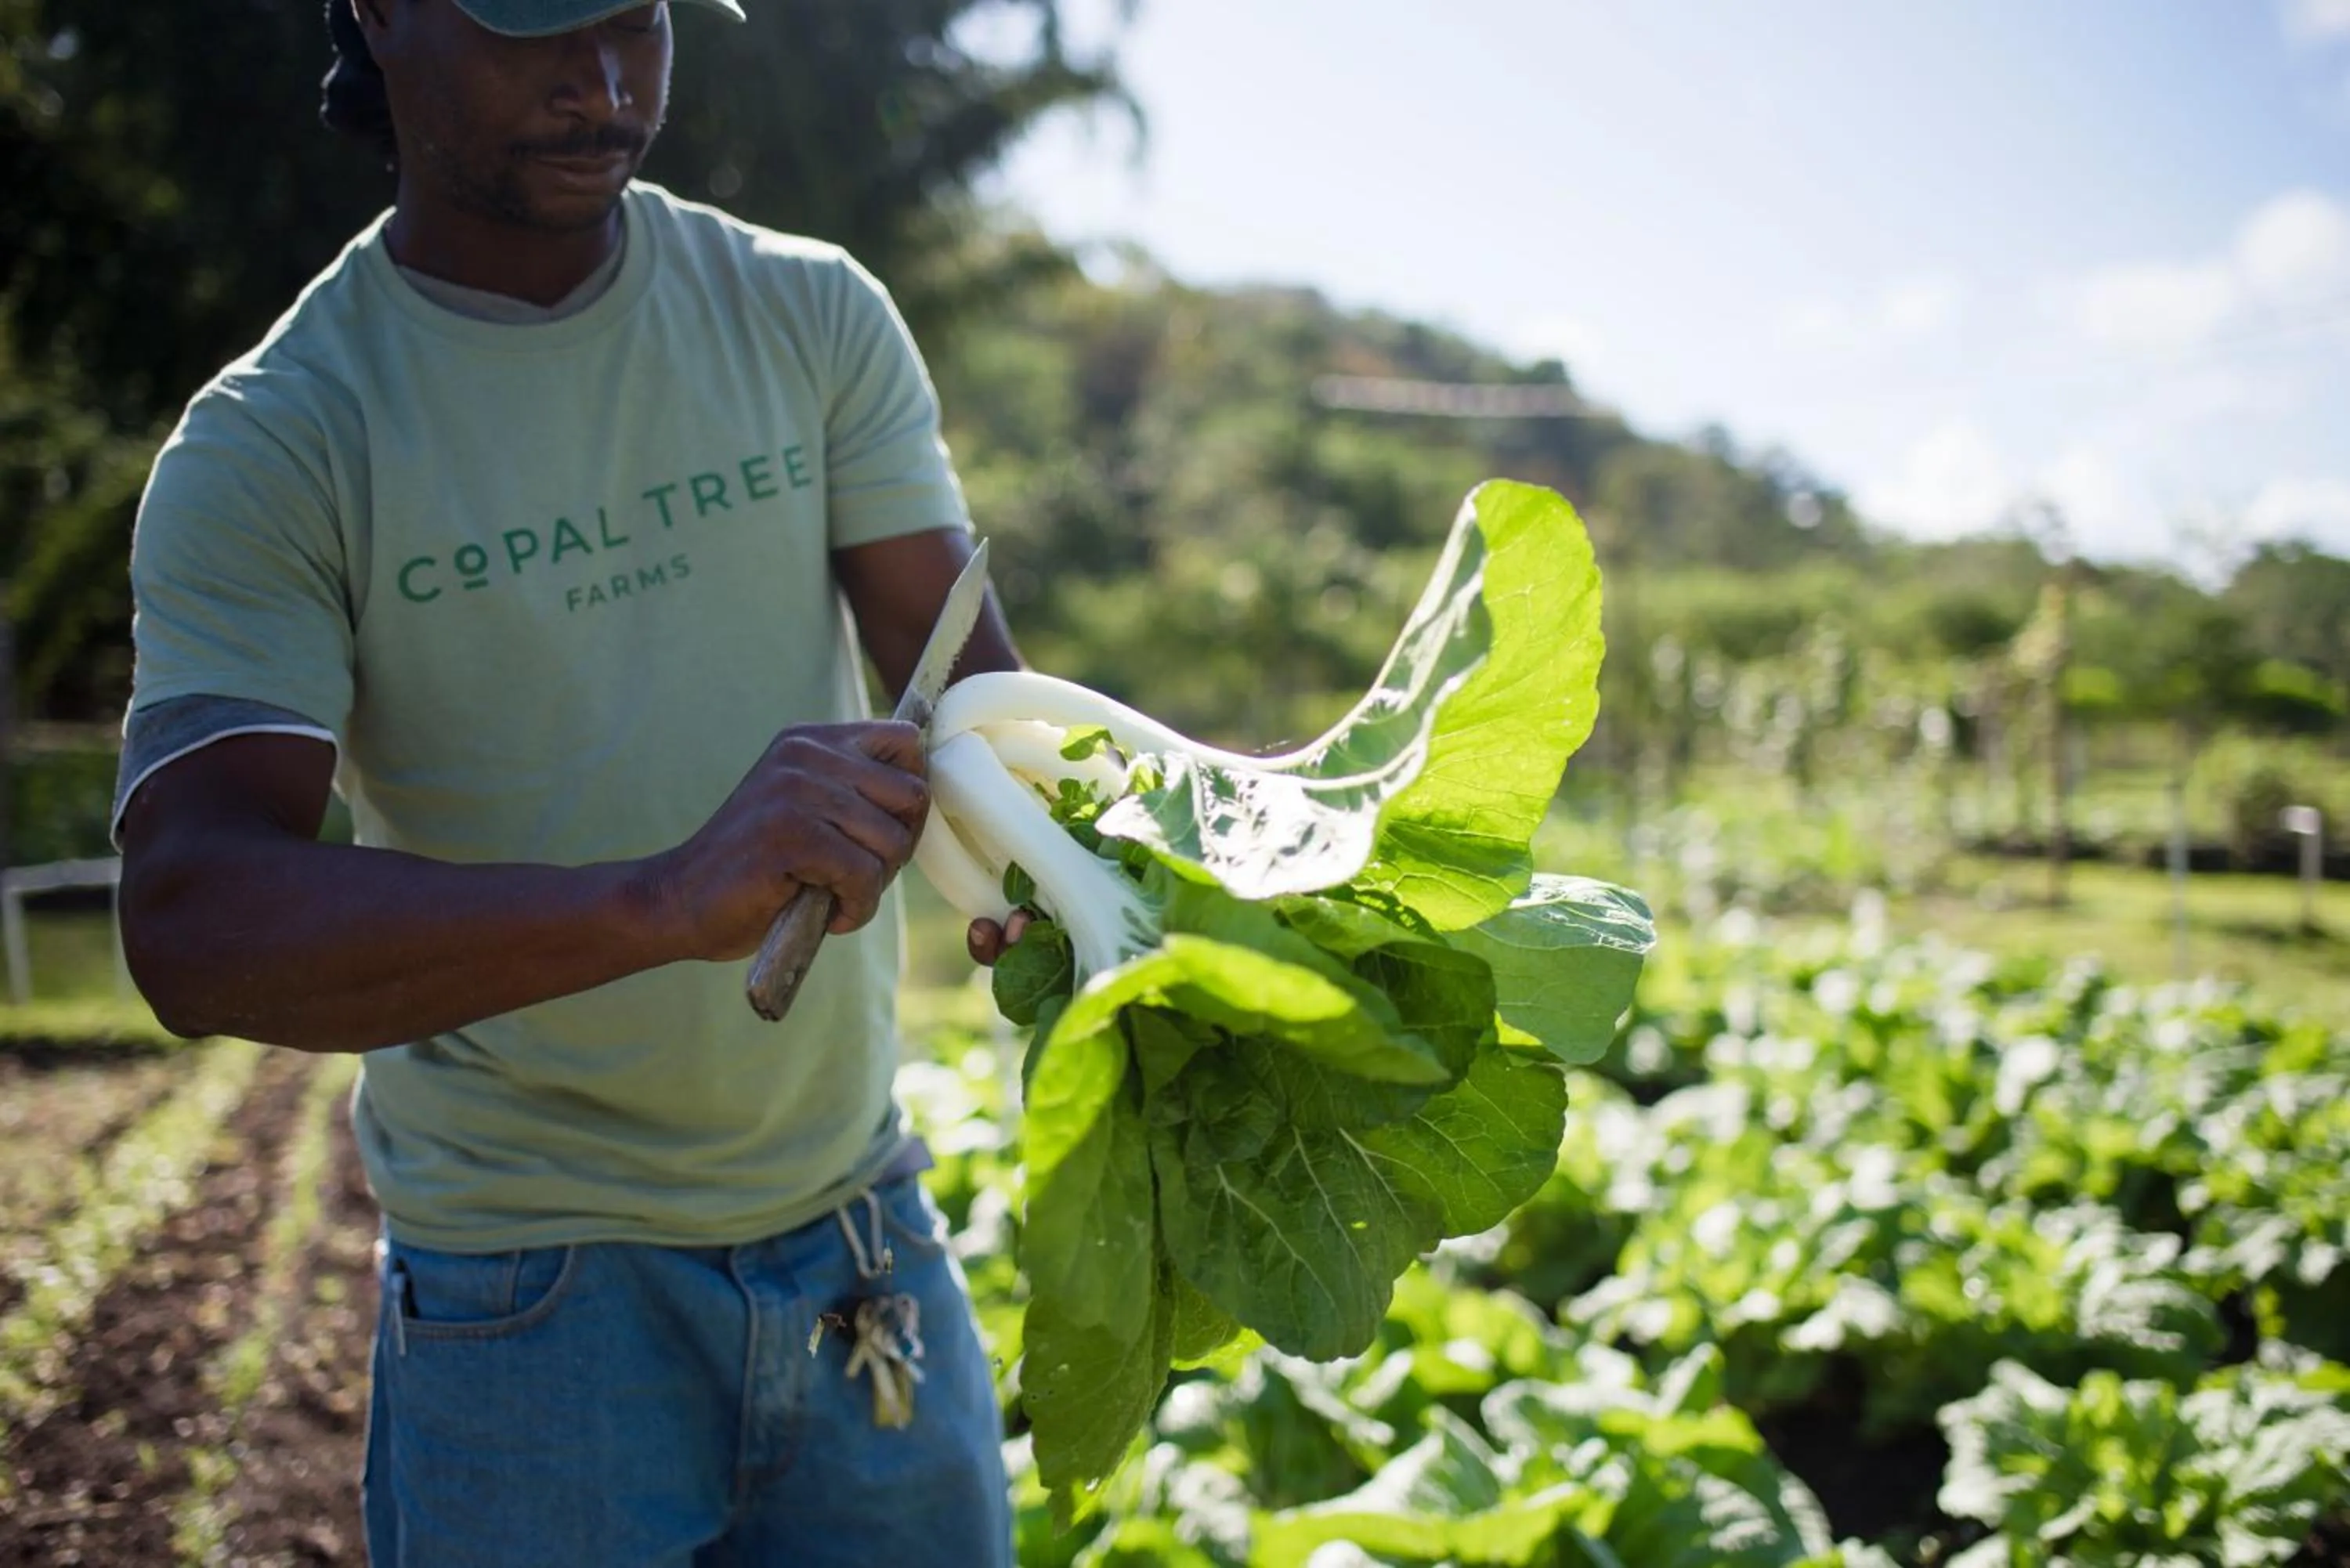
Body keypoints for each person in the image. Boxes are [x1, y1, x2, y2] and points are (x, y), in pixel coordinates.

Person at [110, 1, 1029, 1562]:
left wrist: (1131, 848)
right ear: (383, 15)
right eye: (539, 22)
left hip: (865, 1244)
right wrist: (665, 899)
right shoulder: (280, 443)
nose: (603, 83)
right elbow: (194, 916)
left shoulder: (809, 315)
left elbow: (978, 705)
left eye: (638, 20)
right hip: (529, 1308)